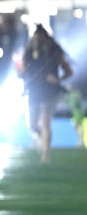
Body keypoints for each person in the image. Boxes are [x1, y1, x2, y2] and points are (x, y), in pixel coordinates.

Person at [20, 24, 73, 163]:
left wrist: (58, 79)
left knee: (45, 122)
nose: (37, 39)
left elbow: (68, 71)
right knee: (32, 125)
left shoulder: (55, 52)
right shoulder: (29, 51)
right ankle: (41, 141)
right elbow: (22, 72)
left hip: (50, 92)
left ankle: (45, 155)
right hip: (34, 91)